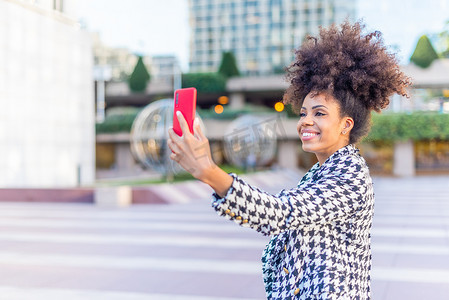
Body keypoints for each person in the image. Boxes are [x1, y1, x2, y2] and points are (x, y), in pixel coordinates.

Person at [167, 21, 410, 300]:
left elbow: (282, 213)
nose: (306, 121)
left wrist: (208, 171)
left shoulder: (350, 176)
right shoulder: (319, 174)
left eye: (319, 113)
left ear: (346, 125)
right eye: (303, 112)